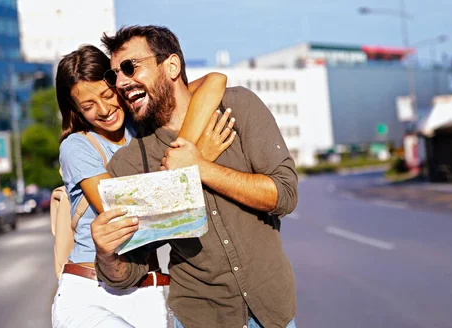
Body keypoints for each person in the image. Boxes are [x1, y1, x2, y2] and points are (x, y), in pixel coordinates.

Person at [91, 25, 298, 328]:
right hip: (200, 318)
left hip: (272, 310)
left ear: (171, 66)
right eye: (114, 75)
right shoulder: (129, 165)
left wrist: (201, 168)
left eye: (129, 67)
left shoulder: (238, 106)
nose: (121, 82)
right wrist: (107, 254)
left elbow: (285, 195)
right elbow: (129, 272)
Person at [52, 44, 234, 327]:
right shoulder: (78, 147)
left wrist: (182, 157)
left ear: (117, 82)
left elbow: (215, 81)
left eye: (107, 94)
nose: (103, 110)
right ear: (75, 109)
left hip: (151, 292)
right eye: (88, 106)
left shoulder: (142, 124)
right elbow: (128, 218)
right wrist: (196, 163)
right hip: (93, 291)